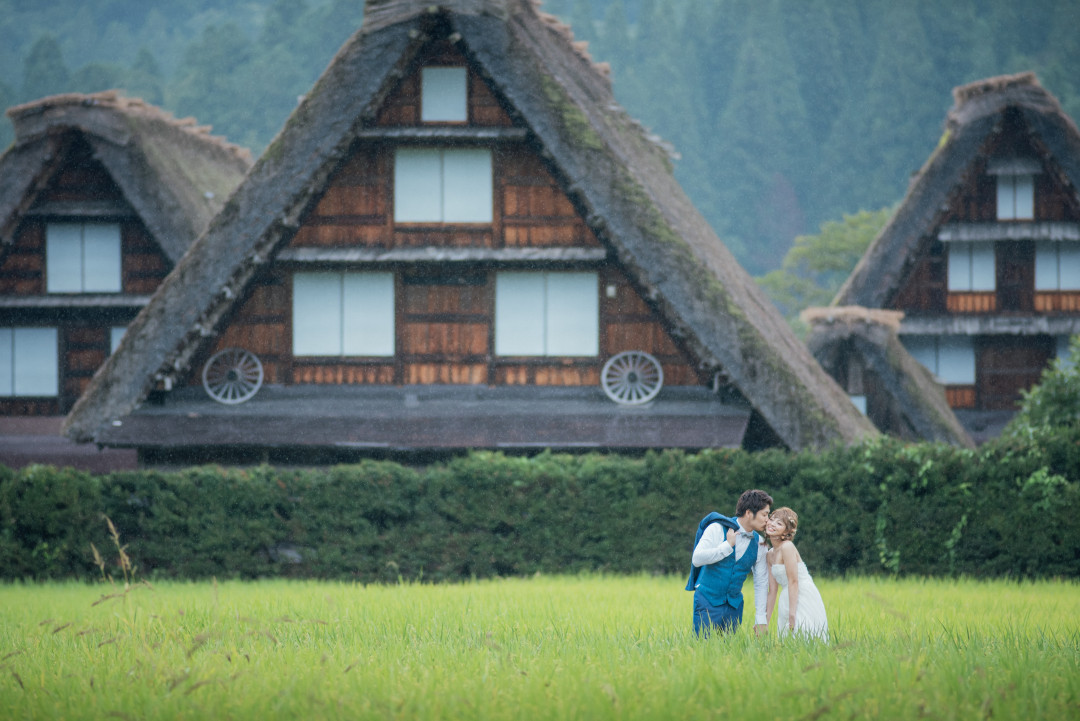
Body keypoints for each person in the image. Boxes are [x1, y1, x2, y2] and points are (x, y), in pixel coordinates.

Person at [687, 489, 772, 636]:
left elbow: (761, 582)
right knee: (703, 651)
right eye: (764, 514)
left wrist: (761, 619)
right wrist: (727, 546)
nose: (768, 520)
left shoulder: (761, 544)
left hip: (734, 607)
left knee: (728, 654)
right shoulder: (717, 528)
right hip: (707, 600)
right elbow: (697, 558)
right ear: (748, 513)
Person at [764, 507, 828, 641]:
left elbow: (793, 581)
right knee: (788, 641)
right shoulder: (769, 554)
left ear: (787, 532)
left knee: (804, 633)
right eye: (772, 520)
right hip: (786, 597)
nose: (772, 524)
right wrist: (765, 621)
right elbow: (773, 590)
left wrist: (792, 614)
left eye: (779, 523)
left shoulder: (787, 547)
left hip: (802, 593)